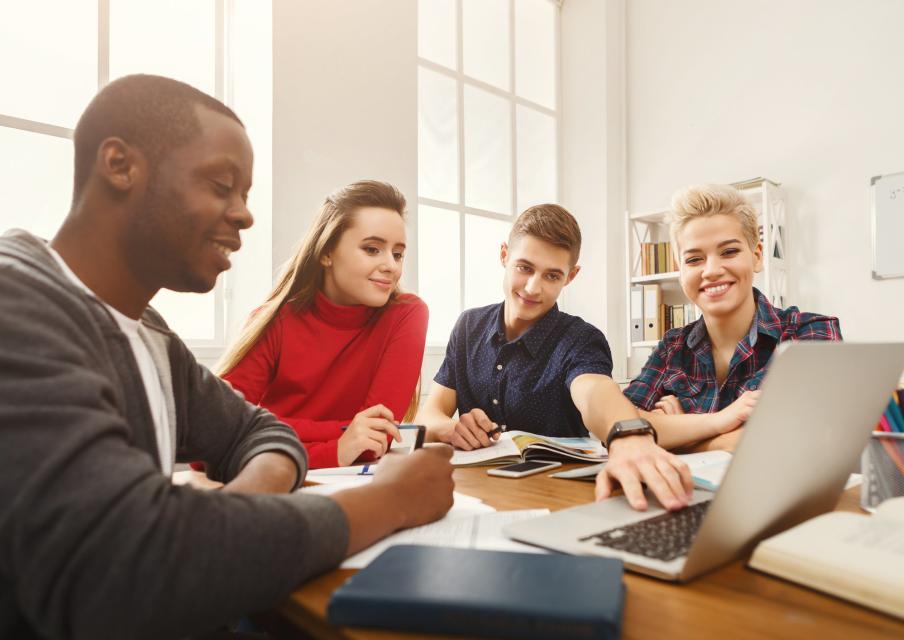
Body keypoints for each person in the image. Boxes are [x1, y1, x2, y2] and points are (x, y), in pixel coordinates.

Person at [0, 74, 454, 640]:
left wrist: (236, 520)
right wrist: (391, 502)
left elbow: (260, 432)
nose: (245, 215)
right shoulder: (16, 305)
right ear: (119, 166)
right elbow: (129, 572)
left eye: (245, 194)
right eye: (222, 186)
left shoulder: (151, 334)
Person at [416, 204, 694, 512]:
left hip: (556, 496)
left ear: (571, 277)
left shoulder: (581, 338)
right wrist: (451, 428)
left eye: (551, 275)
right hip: (473, 493)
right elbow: (428, 416)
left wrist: (627, 434)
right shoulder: (469, 326)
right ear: (504, 255)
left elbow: (595, 393)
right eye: (524, 268)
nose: (533, 288)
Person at [215, 181, 428, 469]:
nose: (391, 265)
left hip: (339, 487)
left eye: (398, 253)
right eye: (372, 249)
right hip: (270, 484)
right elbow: (214, 434)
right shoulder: (272, 320)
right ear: (327, 252)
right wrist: (338, 445)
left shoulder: (406, 315)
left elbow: (373, 442)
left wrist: (262, 432)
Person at [623, 184, 842, 452]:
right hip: (683, 492)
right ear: (680, 270)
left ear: (757, 256)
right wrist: (715, 423)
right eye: (694, 259)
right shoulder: (672, 346)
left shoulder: (809, 333)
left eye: (729, 252)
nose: (712, 271)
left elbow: (802, 437)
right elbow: (621, 426)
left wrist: (679, 435)